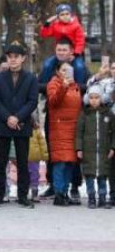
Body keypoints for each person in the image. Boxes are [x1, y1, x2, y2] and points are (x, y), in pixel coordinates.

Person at [0, 42, 39, 208]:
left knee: (22, 162)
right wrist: (8, 117)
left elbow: (32, 101)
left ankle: (23, 196)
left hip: (22, 124)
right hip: (3, 125)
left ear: (23, 58)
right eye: (10, 57)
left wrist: (17, 117)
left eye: (16, 57)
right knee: (1, 161)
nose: (13, 60)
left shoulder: (31, 78)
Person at [46, 60, 82, 206]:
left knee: (70, 163)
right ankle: (58, 193)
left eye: (69, 71)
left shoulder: (76, 86)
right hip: (60, 128)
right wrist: (63, 86)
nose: (67, 74)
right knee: (60, 162)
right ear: (57, 71)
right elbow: (53, 101)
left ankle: (65, 192)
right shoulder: (54, 83)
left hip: (73, 128)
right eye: (63, 70)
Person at [75, 86, 112, 208]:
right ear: (87, 99)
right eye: (91, 98)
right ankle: (91, 198)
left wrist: (113, 147)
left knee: (102, 175)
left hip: (103, 151)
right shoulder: (84, 114)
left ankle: (102, 198)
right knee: (90, 175)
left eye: (97, 97)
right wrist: (79, 148)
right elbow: (79, 133)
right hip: (88, 151)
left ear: (102, 98)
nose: (94, 100)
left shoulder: (108, 114)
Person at [40, 4, 87, 81]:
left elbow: (80, 41)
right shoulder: (55, 25)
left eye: (67, 14)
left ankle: (79, 89)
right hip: (60, 53)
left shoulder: (76, 26)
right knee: (47, 65)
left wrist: (75, 54)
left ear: (70, 14)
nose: (65, 16)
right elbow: (44, 34)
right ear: (58, 16)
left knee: (79, 67)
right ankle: (42, 88)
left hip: (74, 53)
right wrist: (47, 23)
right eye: (62, 14)